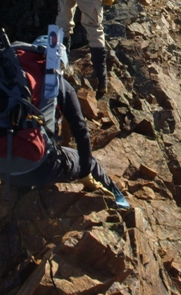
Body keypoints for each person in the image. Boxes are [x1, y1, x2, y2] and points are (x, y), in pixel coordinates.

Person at [11, 68, 130, 209]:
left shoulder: (6, 79)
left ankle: (19, 193)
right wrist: (85, 173)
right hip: (40, 170)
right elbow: (81, 132)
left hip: (1, 167)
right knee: (89, 161)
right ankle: (119, 201)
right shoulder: (56, 82)